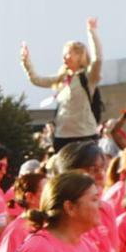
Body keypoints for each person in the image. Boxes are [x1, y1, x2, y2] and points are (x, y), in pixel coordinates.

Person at [20, 17, 102, 151]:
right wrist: (26, 61)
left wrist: (92, 32)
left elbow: (98, 59)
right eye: (64, 54)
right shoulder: (62, 78)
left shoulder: (88, 77)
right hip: (62, 136)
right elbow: (37, 80)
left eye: (68, 54)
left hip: (85, 135)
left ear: (79, 56)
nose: (64, 57)